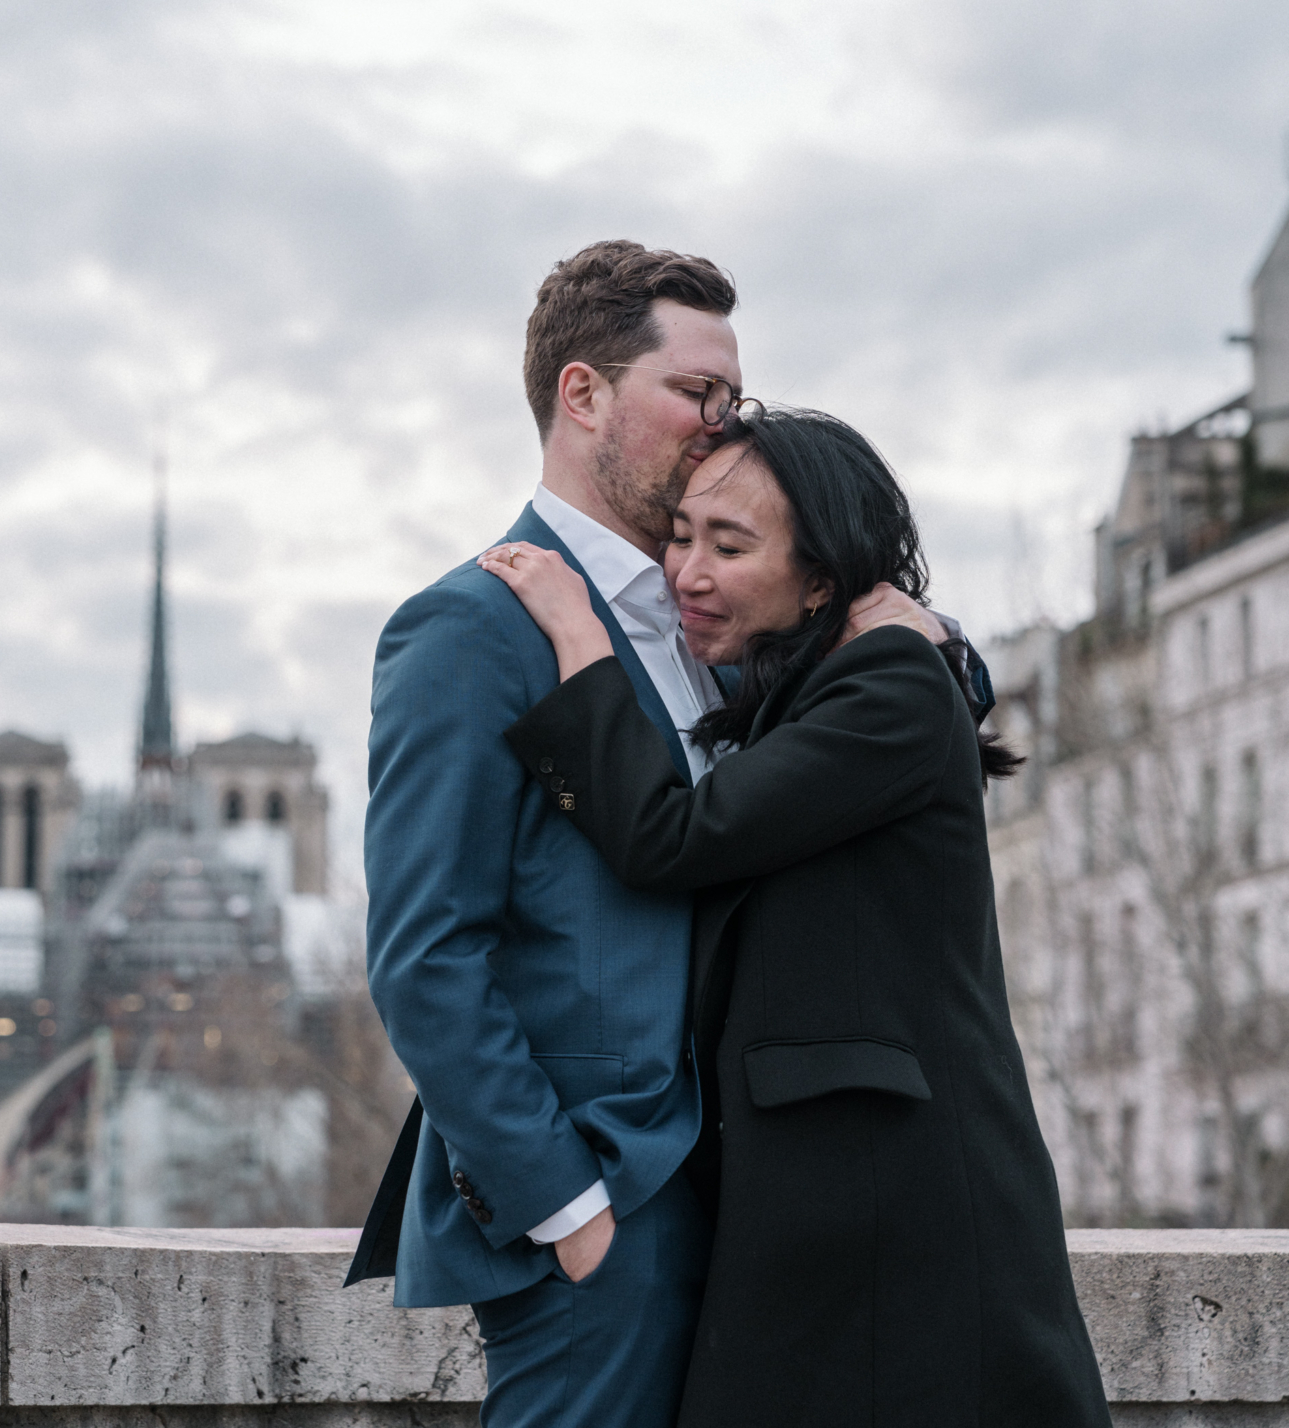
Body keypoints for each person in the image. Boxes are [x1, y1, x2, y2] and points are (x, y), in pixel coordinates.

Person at [344, 244, 956, 1428]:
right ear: (584, 396)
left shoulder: (721, 607)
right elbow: (425, 955)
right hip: (603, 1205)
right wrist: (567, 1209)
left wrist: (944, 649)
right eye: (698, 395)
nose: (726, 423)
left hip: (756, 1202)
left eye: (734, 397)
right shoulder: (469, 630)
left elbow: (867, 728)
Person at [480, 407, 1112, 1427]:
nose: (686, 570)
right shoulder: (819, 685)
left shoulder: (889, 683)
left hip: (888, 1207)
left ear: (820, 579)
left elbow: (668, 839)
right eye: (679, 536)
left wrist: (581, 640)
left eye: (729, 546)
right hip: (819, 1205)